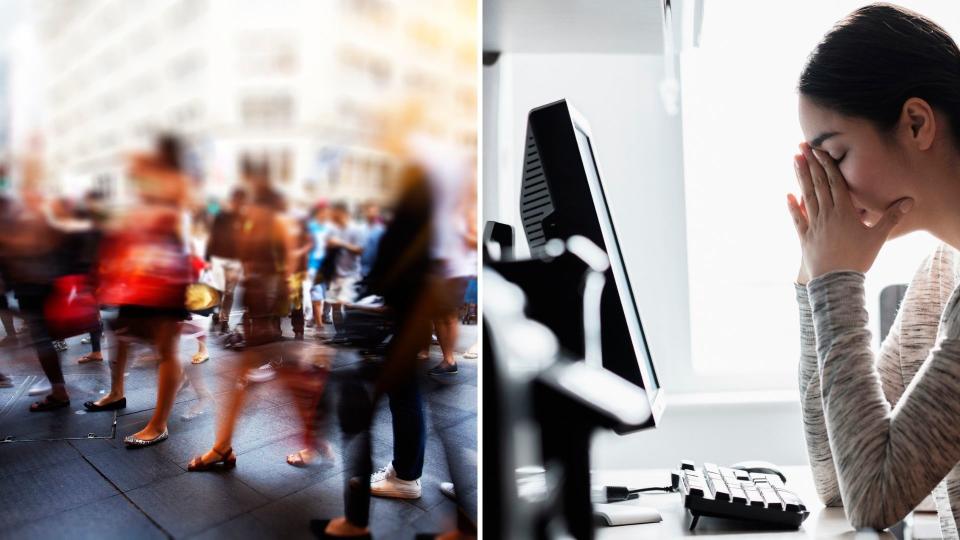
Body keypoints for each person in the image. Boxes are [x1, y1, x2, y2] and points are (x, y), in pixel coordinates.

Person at [787, 4, 960, 535]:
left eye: (835, 157)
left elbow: (874, 498)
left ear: (916, 122)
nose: (828, 188)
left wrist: (836, 279)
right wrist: (813, 276)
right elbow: (840, 477)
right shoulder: (940, 276)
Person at [84, 134, 192, 448]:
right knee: (121, 336)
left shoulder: (173, 186)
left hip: (163, 279)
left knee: (165, 349)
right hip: (139, 278)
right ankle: (116, 392)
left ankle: (158, 424)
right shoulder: (148, 192)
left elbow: (162, 220)